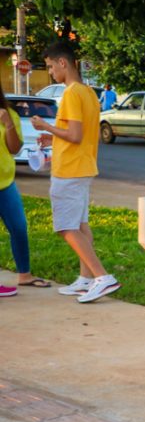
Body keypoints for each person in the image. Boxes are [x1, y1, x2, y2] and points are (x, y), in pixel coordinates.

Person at [30, 42, 119, 303]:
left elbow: (76, 135)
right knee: (80, 224)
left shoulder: (71, 93)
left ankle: (102, 277)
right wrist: (52, 137)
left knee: (65, 227)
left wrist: (45, 125)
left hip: (69, 170)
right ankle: (86, 279)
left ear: (63, 63)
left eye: (50, 67)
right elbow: (77, 134)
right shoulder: (88, 92)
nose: (50, 73)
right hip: (83, 166)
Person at [0, 84, 51, 297]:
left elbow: (14, 148)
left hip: (5, 182)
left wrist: (8, 124)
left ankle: (25, 275)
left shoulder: (9, 113)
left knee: (19, 227)